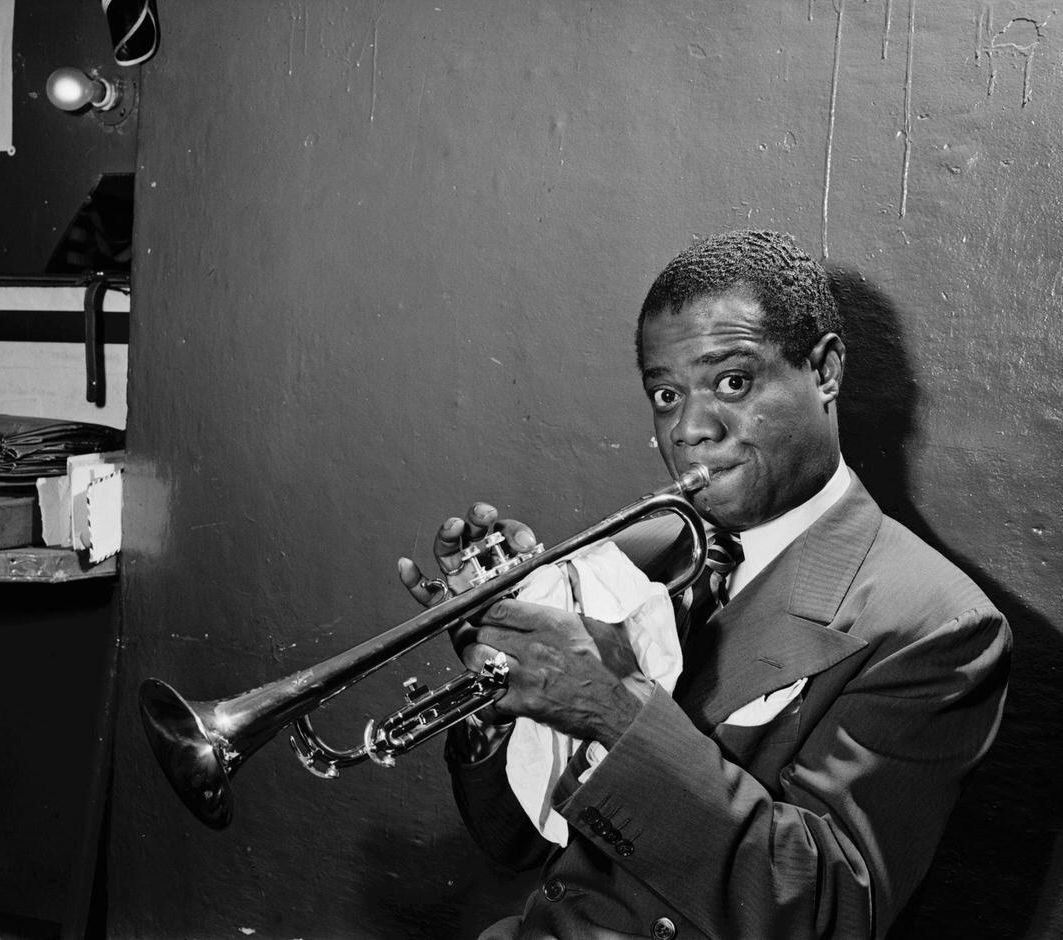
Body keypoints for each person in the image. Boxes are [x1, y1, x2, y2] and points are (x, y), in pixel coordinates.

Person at [398, 230, 1012, 940]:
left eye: (733, 382)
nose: (689, 428)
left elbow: (827, 914)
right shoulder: (636, 553)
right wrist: (505, 692)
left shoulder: (937, 624)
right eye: (665, 394)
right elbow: (516, 846)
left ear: (826, 370)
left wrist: (605, 702)